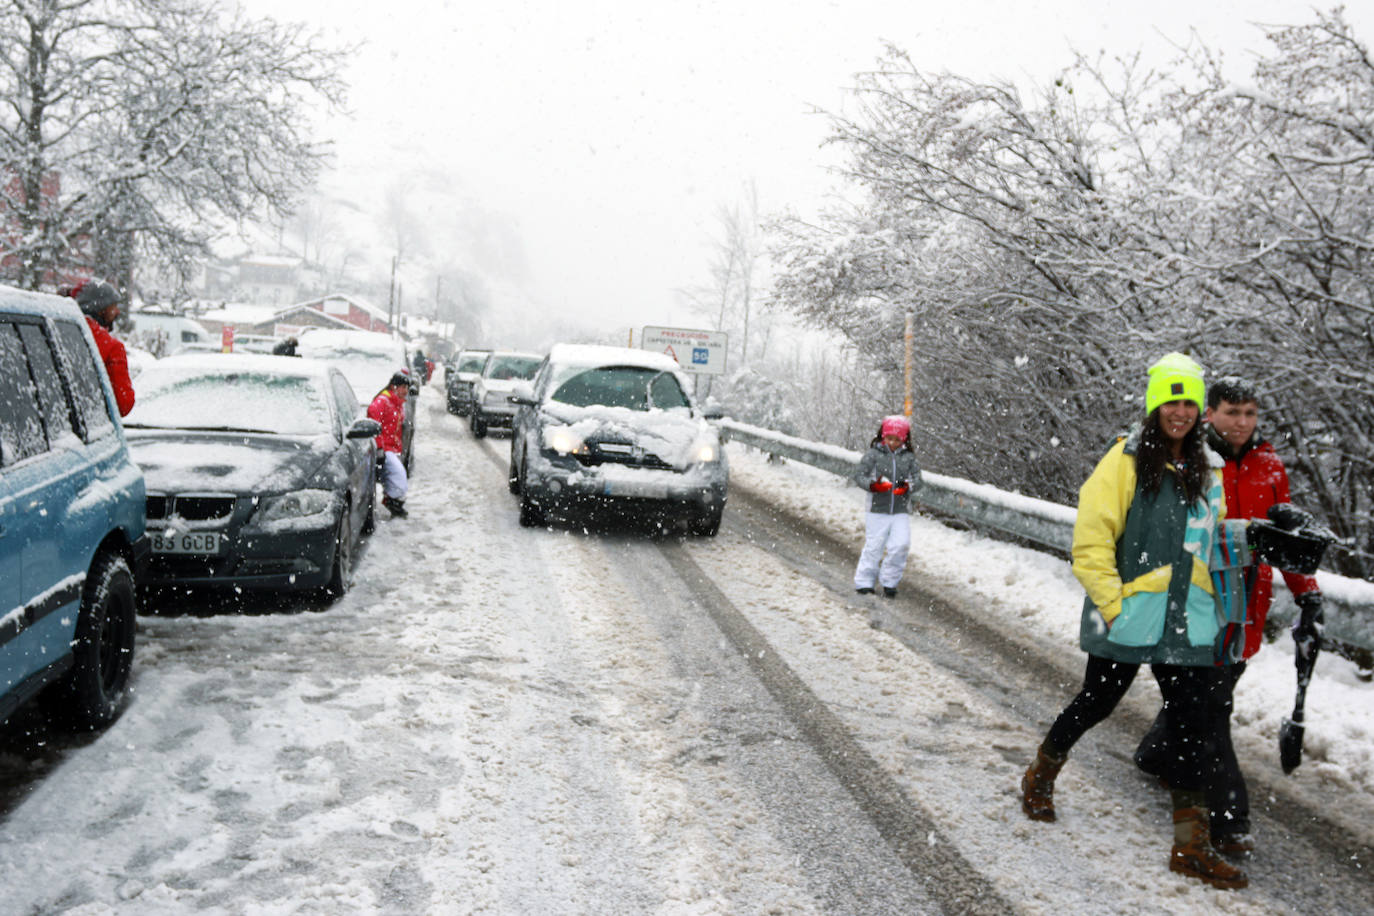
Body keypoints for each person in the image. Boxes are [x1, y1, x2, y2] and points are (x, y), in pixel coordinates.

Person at [1019, 352, 1248, 890]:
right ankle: (1039, 776)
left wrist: (1246, 554)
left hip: (1186, 621)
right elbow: (1091, 541)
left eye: (1190, 401)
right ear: (1155, 404)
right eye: (1172, 400)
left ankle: (1191, 846)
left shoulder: (1208, 468)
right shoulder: (1122, 460)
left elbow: (1210, 540)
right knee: (1096, 702)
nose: (1181, 411)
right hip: (1128, 616)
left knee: (1191, 725)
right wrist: (1115, 607)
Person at [1133, 377, 1322, 855]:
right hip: (1198, 601)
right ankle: (1227, 816)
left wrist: (1308, 592)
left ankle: (1159, 753)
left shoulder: (1270, 465)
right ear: (1210, 413)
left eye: (1250, 414)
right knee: (1213, 709)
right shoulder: (1193, 460)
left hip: (1247, 610)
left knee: (1209, 699)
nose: (1242, 423)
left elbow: (1284, 537)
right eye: (1232, 413)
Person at [852, 415, 924, 598]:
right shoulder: (873, 455)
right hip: (876, 509)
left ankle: (890, 581)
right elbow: (859, 475)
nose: (892, 442)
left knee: (901, 545)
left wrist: (907, 486)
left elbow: (918, 480)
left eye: (897, 439)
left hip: (900, 510)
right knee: (874, 546)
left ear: (904, 440)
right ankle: (864, 582)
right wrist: (874, 485)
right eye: (889, 438)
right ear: (883, 437)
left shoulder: (909, 458)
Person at [68, 279, 135, 416]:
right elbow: (123, 405)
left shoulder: (62, 330)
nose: (117, 311)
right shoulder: (112, 347)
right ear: (100, 309)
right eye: (113, 306)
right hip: (91, 423)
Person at [368, 371, 411, 518]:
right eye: (403, 387)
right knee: (399, 477)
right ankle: (393, 501)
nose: (406, 391)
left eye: (407, 387)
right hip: (385, 449)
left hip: (391, 448)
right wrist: (379, 447)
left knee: (393, 476)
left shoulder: (396, 402)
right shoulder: (383, 401)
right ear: (394, 387)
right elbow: (374, 422)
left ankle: (393, 501)